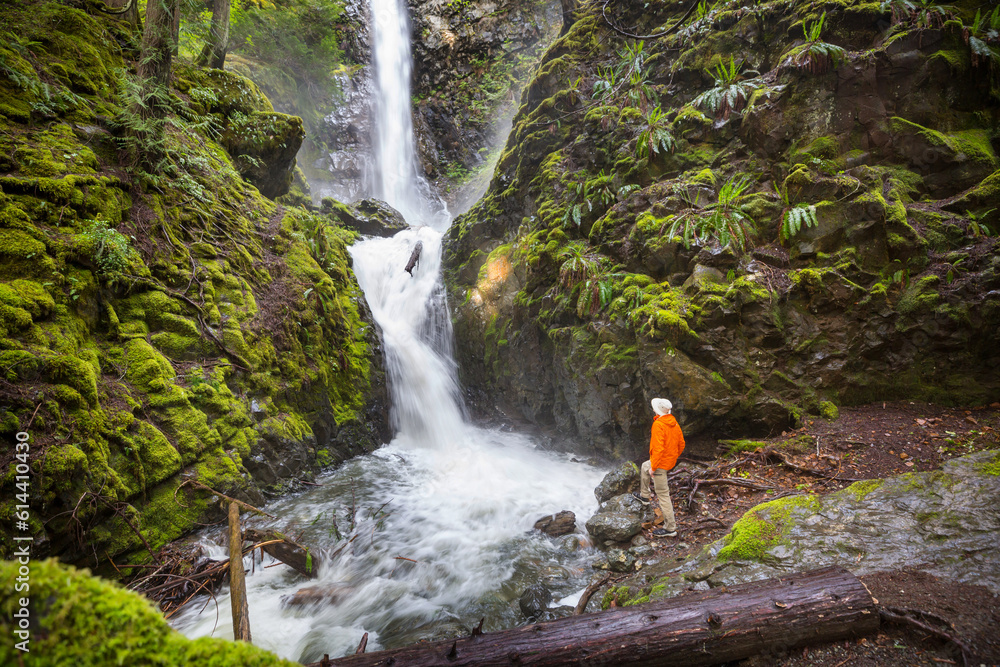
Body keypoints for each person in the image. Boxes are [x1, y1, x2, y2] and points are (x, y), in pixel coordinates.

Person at [633, 398, 685, 538]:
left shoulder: (659, 425)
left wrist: (654, 468)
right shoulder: (673, 423)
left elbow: (658, 449)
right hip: (667, 461)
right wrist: (672, 457)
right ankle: (644, 496)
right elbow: (681, 444)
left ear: (657, 410)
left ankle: (670, 528)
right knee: (644, 465)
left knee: (663, 495)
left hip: (661, 464)